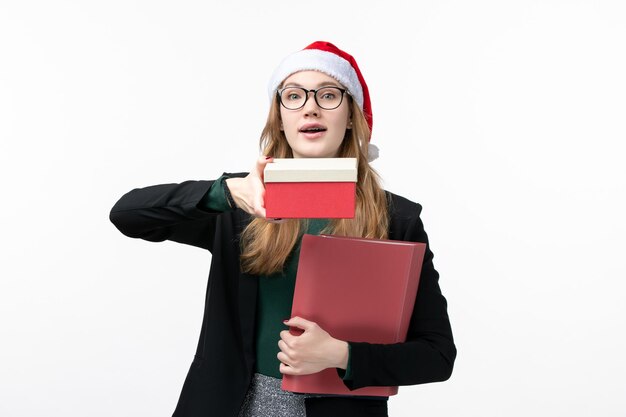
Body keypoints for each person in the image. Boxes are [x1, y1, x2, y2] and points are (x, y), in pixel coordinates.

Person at [110, 41, 456, 417]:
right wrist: (226, 191)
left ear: (352, 116)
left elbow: (437, 355)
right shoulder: (243, 204)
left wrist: (343, 355)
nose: (310, 106)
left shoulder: (397, 218)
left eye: (328, 95)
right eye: (293, 96)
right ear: (280, 118)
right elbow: (127, 214)